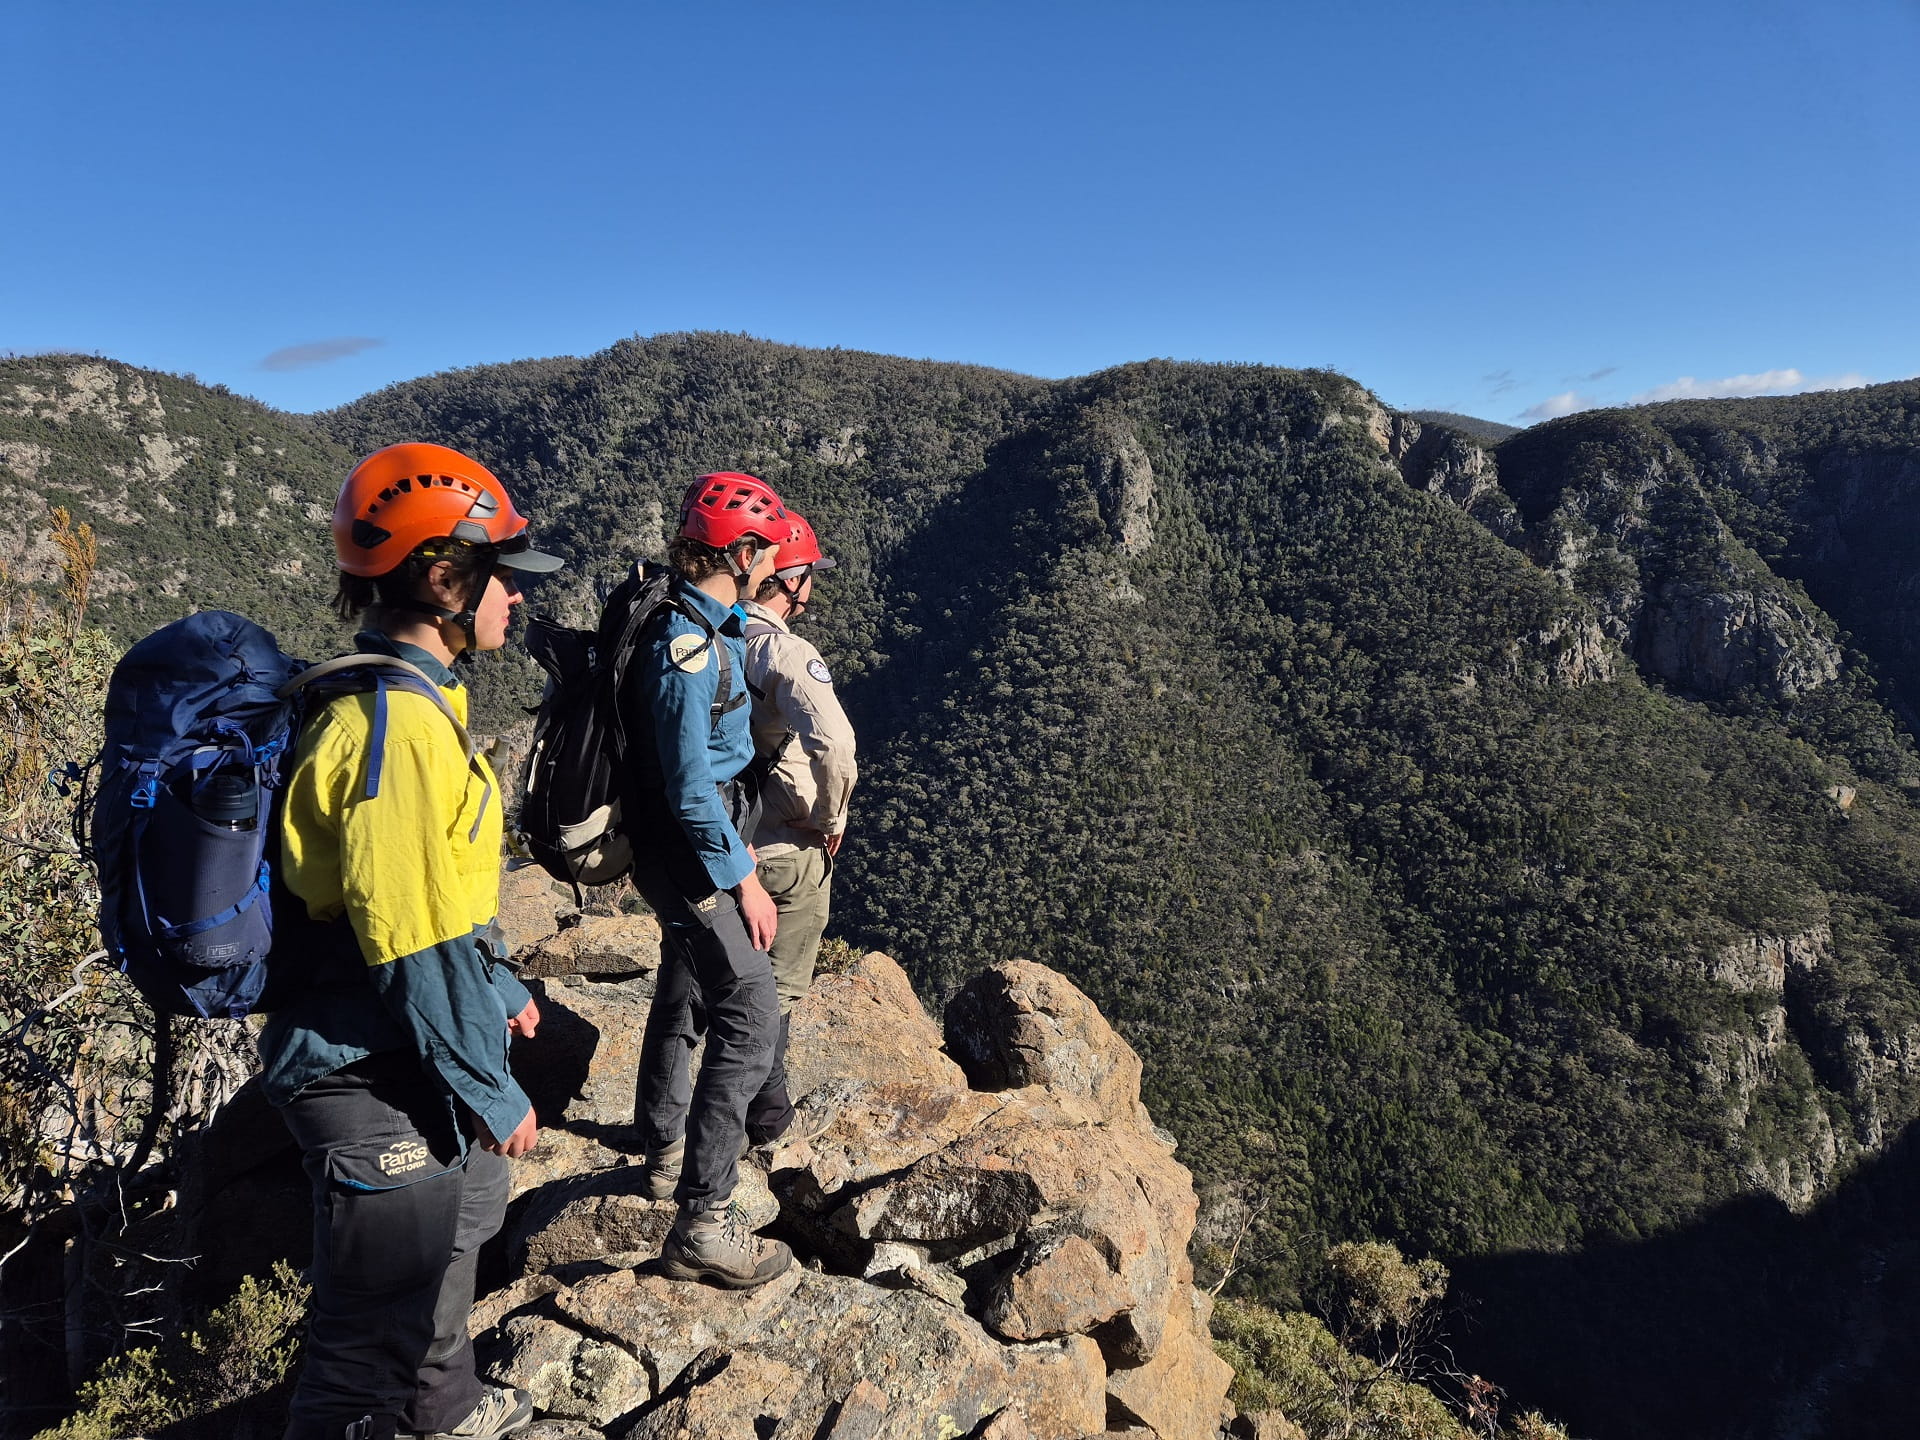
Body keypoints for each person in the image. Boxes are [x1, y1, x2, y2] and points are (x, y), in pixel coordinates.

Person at [261, 442, 562, 1440]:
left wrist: (498, 981)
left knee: (461, 1232)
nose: (515, 599)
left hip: (399, 1047)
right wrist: (489, 1081)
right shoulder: (388, 721)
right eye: (504, 578)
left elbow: (438, 906)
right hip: (359, 1067)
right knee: (361, 1355)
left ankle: (449, 1414)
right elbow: (405, 936)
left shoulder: (417, 702)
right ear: (444, 576)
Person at [626, 471, 794, 1289]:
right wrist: (742, 878)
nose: (768, 561)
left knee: (690, 983)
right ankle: (704, 1218)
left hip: (696, 842)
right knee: (753, 1009)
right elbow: (691, 786)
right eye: (761, 546)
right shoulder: (686, 646)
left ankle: (661, 1151)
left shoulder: (702, 625)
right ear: (740, 550)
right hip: (688, 853)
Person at [736, 510, 858, 1152]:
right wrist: (831, 818)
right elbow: (835, 743)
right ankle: (767, 1113)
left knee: (693, 986)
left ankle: (664, 1124)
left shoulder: (713, 634)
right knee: (776, 991)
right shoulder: (784, 650)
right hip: (782, 843)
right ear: (792, 578)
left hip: (718, 838)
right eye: (808, 575)